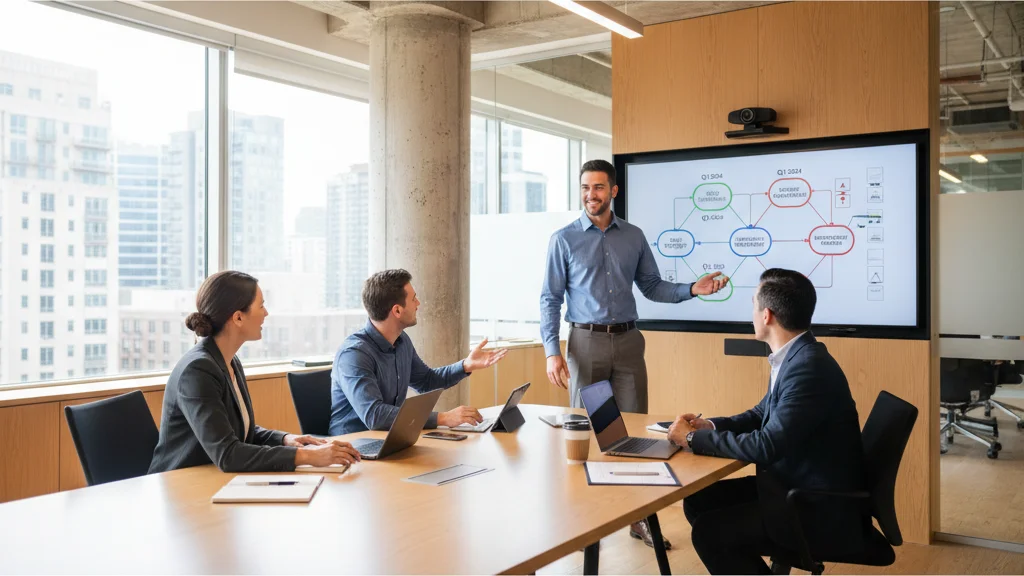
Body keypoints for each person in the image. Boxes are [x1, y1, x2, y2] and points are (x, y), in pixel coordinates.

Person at [540, 159, 728, 549]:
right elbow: (550, 298)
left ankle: (639, 518)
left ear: (613, 191)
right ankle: (582, 520)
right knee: (586, 431)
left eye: (598, 188)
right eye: (585, 188)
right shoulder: (563, 239)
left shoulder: (635, 236)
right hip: (584, 343)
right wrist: (550, 351)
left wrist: (694, 289)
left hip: (628, 343)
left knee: (633, 433)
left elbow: (653, 287)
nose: (591, 195)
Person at [666, 268, 868, 575]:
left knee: (710, 532)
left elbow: (768, 445)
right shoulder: (797, 355)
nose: (752, 312)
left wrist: (692, 440)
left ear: (767, 315)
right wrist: (710, 427)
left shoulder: (807, 368)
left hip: (815, 504)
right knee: (699, 500)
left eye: (753, 305)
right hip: (796, 484)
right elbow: (761, 415)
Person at [149, 271, 361, 474]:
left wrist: (285, 439)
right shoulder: (197, 371)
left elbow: (237, 432)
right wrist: (307, 456)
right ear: (238, 317)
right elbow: (228, 454)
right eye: (261, 306)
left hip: (213, 477)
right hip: (181, 484)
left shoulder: (229, 360)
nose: (266, 313)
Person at [329, 269, 507, 436]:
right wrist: (443, 418)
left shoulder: (401, 341)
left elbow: (426, 381)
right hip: (351, 447)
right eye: (414, 299)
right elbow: (375, 415)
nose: (418, 304)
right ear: (397, 310)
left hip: (389, 440)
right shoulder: (354, 354)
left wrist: (465, 365)